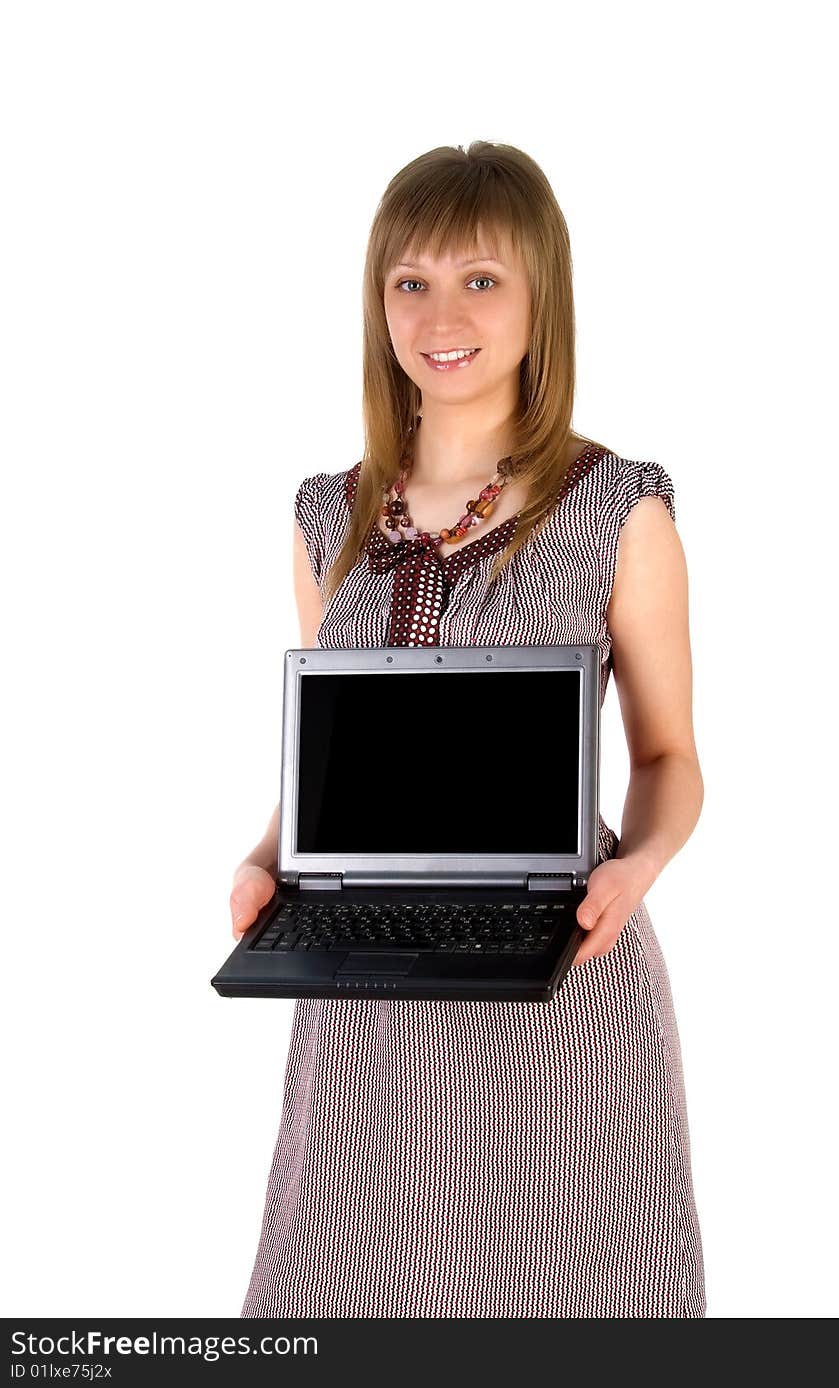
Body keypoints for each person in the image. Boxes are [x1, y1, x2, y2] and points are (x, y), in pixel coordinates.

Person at [229, 141, 706, 1318]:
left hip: (560, 973)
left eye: (482, 279)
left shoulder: (616, 504)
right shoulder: (322, 513)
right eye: (411, 280)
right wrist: (266, 855)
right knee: (345, 1286)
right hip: (368, 1005)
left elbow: (667, 755)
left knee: (573, 1292)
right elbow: (337, 757)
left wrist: (635, 867)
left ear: (542, 296)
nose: (441, 313)